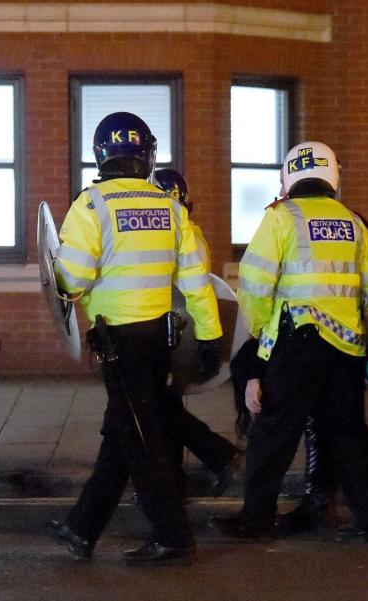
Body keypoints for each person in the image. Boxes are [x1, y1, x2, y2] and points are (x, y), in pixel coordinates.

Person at [46, 112, 223, 566]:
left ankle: (173, 534)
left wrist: (60, 283)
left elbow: (73, 279)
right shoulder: (169, 207)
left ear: (100, 155)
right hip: (160, 340)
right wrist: (210, 339)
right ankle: (82, 527)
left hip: (118, 343)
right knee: (122, 432)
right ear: (147, 155)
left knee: (140, 439)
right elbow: (197, 282)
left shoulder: (92, 205)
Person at [211, 141, 368, 543]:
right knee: (346, 433)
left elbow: (255, 286)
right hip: (346, 345)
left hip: (298, 341)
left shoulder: (282, 219)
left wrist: (261, 340)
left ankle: (255, 520)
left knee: (273, 432)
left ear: (288, 177)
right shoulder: (352, 222)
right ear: (332, 175)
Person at [151, 167, 243, 496]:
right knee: (162, 407)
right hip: (182, 333)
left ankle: (219, 456)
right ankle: (171, 481)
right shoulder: (194, 234)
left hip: (165, 334)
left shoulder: (167, 234)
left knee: (154, 408)